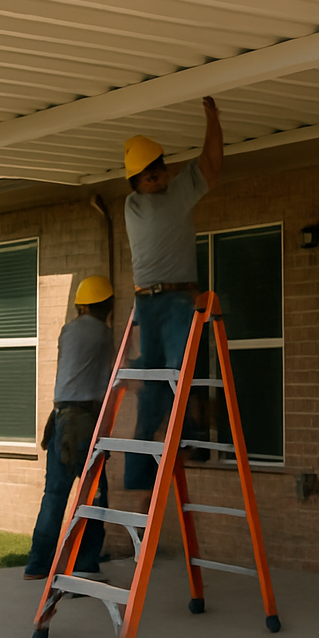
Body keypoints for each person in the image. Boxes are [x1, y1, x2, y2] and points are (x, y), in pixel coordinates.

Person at [122, 96, 222, 493]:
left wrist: (212, 120)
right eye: (149, 176)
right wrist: (212, 120)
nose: (158, 180)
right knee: (165, 381)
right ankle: (151, 466)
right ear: (136, 182)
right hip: (159, 302)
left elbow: (210, 165)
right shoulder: (148, 203)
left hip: (168, 300)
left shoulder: (159, 197)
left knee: (177, 377)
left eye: (160, 172)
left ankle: (186, 446)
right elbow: (209, 168)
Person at [24, 276, 118, 580]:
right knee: (95, 494)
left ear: (81, 305)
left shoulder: (68, 331)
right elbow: (112, 376)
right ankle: (85, 563)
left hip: (61, 416)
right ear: (105, 305)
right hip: (84, 421)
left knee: (54, 494)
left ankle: (37, 564)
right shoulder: (103, 335)